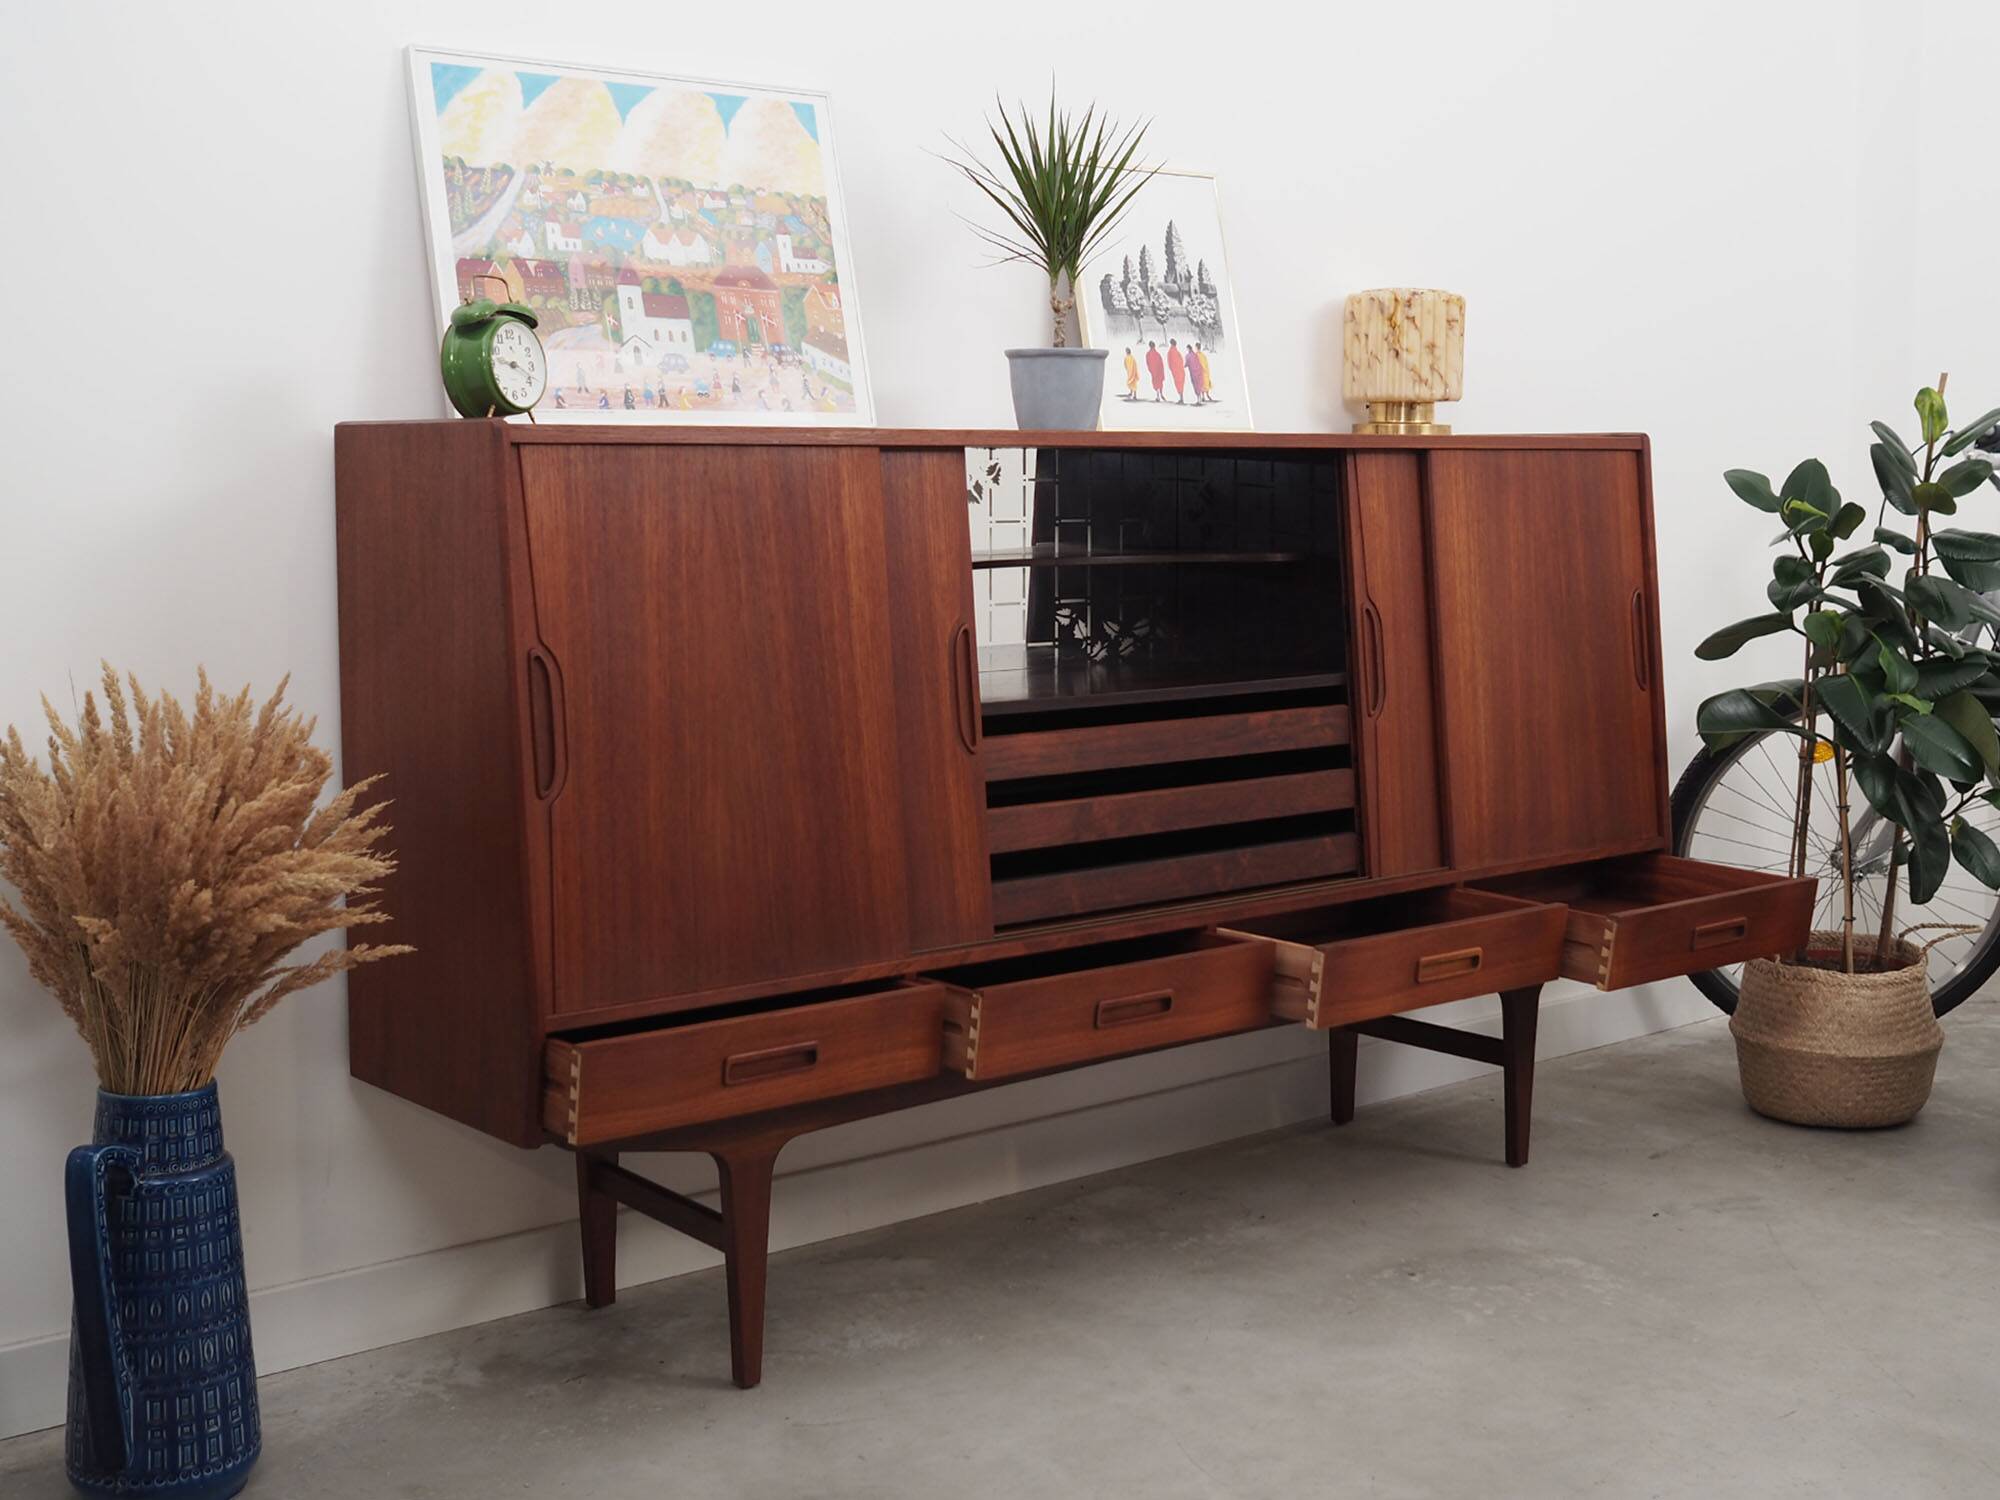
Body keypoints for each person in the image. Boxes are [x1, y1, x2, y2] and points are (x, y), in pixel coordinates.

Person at [1166, 339, 1186, 404]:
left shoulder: (1170, 352)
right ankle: (1181, 398)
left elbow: (1169, 362)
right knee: (1181, 383)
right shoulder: (1177, 352)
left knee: (1178, 384)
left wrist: (1172, 369)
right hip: (1180, 370)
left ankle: (1181, 398)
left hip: (1176, 371)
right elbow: (1181, 360)